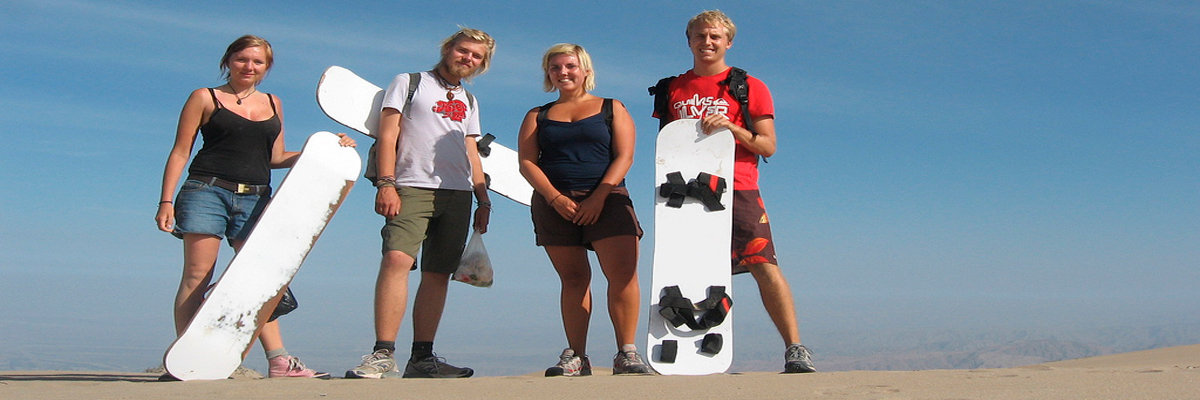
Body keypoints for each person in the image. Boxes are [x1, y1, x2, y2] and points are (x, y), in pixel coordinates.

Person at [156, 35, 354, 379]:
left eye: (257, 62)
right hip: (207, 190)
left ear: (266, 67)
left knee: (261, 280)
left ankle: (279, 361)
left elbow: (276, 157)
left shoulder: (273, 103)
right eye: (242, 59)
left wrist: (328, 148)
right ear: (228, 60)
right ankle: (187, 359)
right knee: (197, 275)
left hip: (258, 197)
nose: (249, 67)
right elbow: (180, 150)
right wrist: (166, 200)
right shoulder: (205, 97)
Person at [651, 10, 817, 373]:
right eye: (700, 36)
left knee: (763, 264)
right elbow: (669, 143)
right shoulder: (672, 88)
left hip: (738, 186)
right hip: (683, 194)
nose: (707, 42)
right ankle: (682, 351)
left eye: (715, 37)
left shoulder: (747, 86)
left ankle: (795, 348)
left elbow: (768, 146)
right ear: (689, 40)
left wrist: (731, 128)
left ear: (728, 42)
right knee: (683, 269)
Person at [345, 27, 494, 379]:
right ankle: (383, 353)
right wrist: (386, 183)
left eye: (476, 56)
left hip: (458, 194)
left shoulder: (470, 101)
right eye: (463, 51)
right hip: (410, 185)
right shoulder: (409, 82)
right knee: (396, 259)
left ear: (481, 64)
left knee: (438, 273)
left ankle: (422, 359)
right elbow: (388, 133)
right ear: (448, 49)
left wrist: (482, 197)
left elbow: (471, 150)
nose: (467, 58)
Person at [517, 44, 650, 376]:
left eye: (570, 66)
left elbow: (625, 156)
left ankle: (627, 353)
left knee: (622, 276)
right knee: (574, 278)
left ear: (586, 70)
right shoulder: (538, 115)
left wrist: (599, 197)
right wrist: (554, 198)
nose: (563, 72)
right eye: (555, 68)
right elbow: (527, 162)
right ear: (548, 74)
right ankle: (577, 356)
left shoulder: (611, 107)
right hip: (555, 204)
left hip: (609, 200)